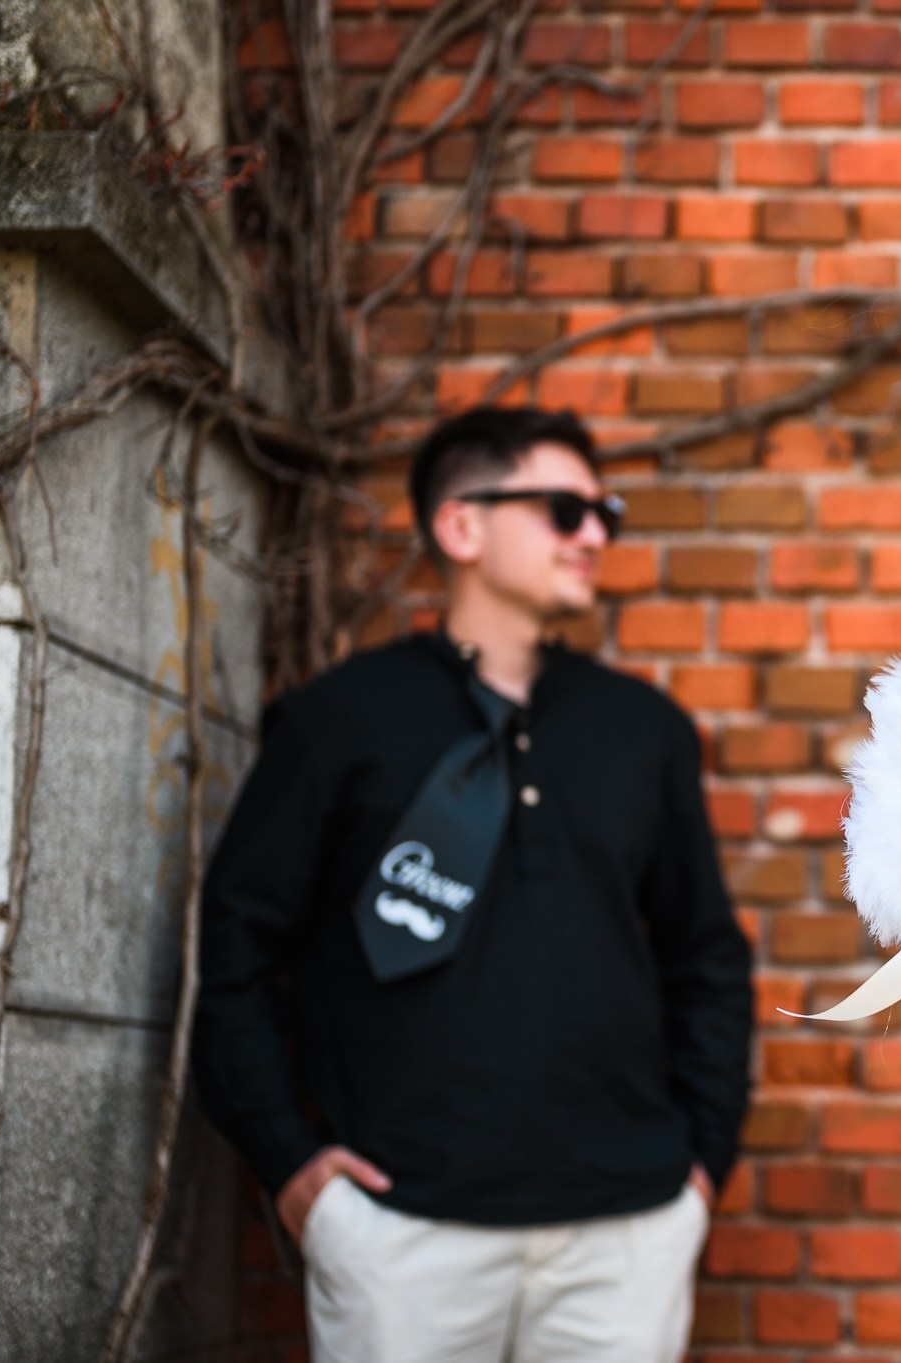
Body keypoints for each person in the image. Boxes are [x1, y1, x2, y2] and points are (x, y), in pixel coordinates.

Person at [193, 406, 755, 1363]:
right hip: (401, 1233)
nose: (593, 534)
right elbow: (238, 953)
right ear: (461, 526)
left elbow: (706, 958)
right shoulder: (338, 722)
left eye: (603, 512)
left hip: (624, 1237)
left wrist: (699, 1171)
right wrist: (296, 1173)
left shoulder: (642, 729)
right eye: (562, 510)